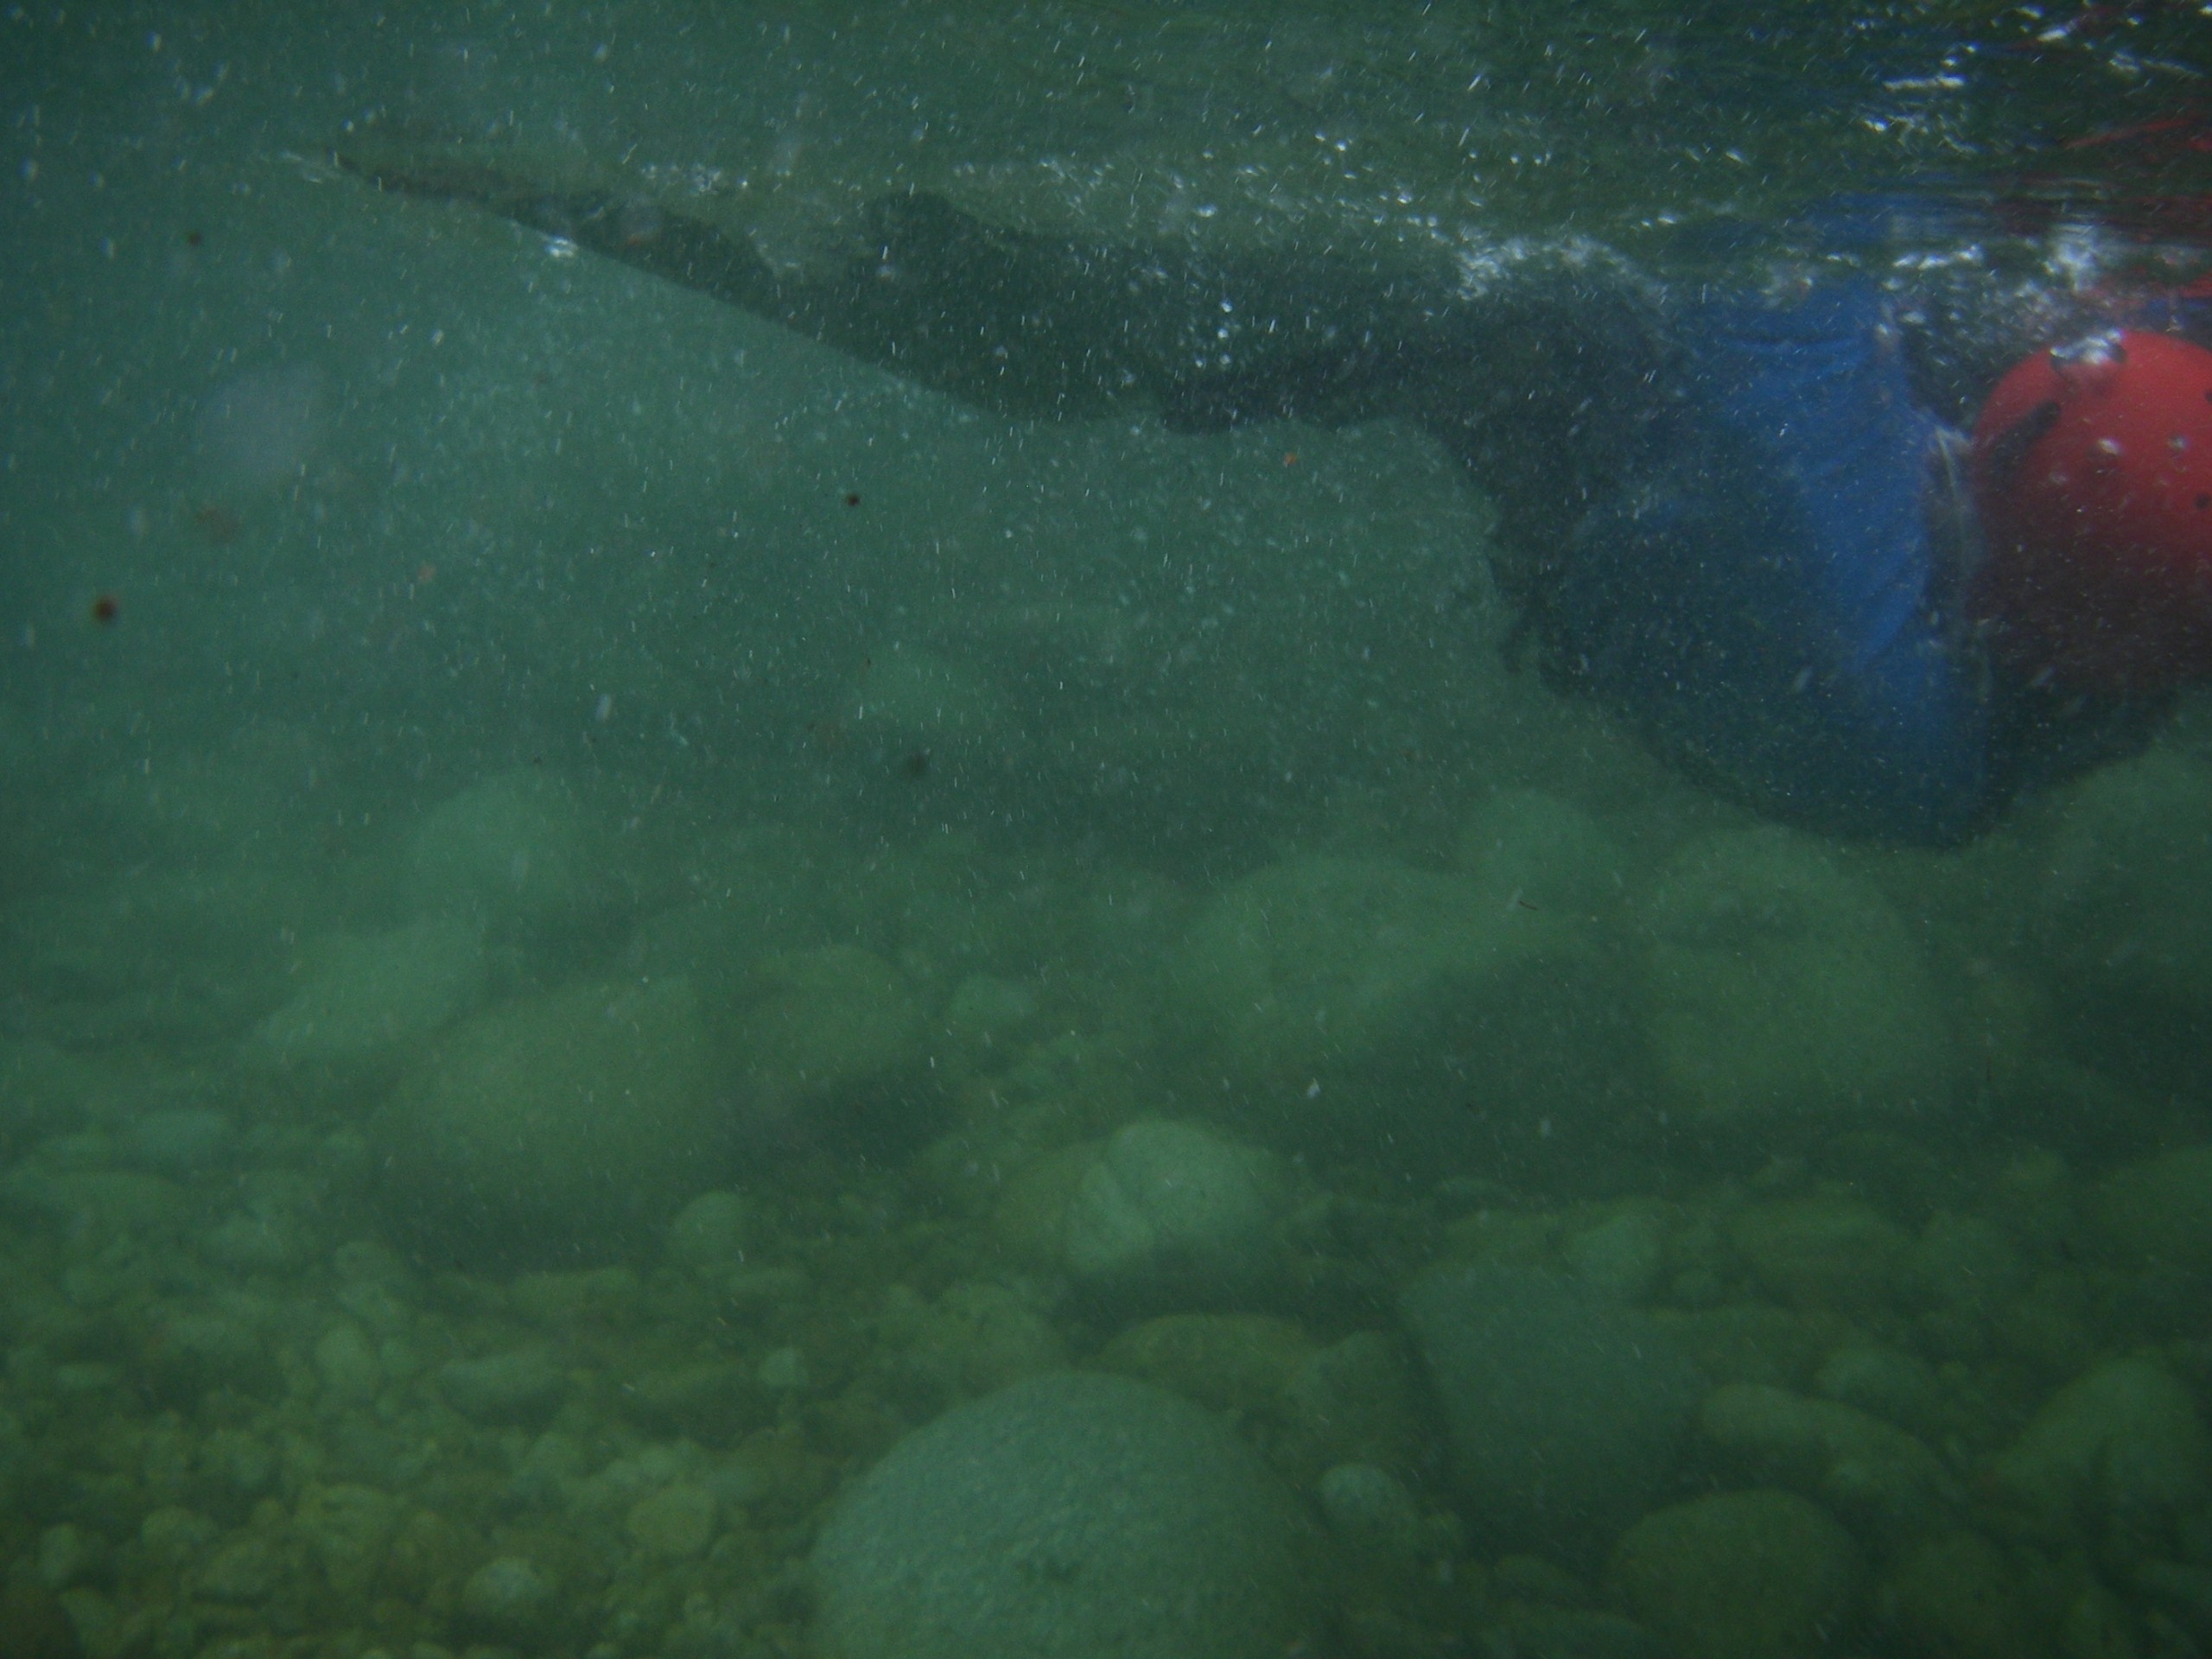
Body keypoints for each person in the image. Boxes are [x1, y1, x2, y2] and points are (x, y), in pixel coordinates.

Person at [339, 144, 2212, 846]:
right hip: (1648, 465)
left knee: (1049, 319)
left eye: (1987, 404)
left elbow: (1765, 241)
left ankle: (584, 195)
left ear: (1970, 507)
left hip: (1543, 409)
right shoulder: (2097, 596)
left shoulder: (1837, 602)